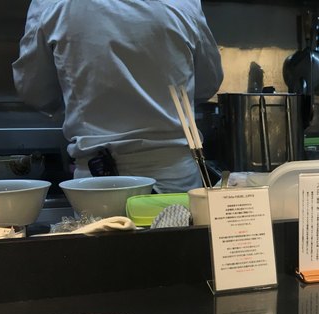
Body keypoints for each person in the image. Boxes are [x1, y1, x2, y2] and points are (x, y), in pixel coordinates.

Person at [13, 0, 223, 193]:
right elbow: (208, 83)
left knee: (98, 225)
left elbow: (34, 91)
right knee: (181, 225)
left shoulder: (52, 4)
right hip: (175, 177)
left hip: (98, 181)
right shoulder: (183, 3)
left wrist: (77, 100)